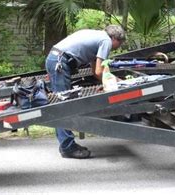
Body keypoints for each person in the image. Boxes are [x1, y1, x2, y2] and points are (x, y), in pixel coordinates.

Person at [45, 24, 126, 159]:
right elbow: (100, 71)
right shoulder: (106, 41)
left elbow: (95, 72)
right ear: (115, 38)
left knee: (61, 104)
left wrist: (105, 82)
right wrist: (119, 82)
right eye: (119, 44)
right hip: (60, 63)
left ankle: (67, 144)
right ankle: (68, 147)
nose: (117, 47)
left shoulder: (97, 35)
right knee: (62, 106)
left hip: (56, 59)